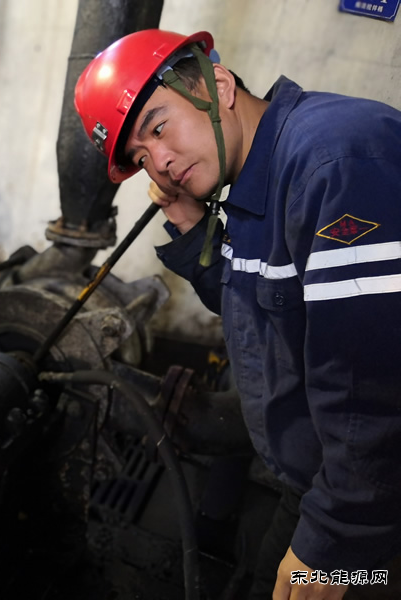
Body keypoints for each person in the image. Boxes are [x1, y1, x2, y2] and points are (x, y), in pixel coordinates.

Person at [73, 29, 401, 600]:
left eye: (158, 127)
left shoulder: (334, 162)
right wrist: (188, 221)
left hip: (372, 513)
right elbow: (255, 305)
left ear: (218, 85)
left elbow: (372, 389)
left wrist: (330, 546)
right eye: (141, 158)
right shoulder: (253, 180)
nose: (159, 163)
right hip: (318, 484)